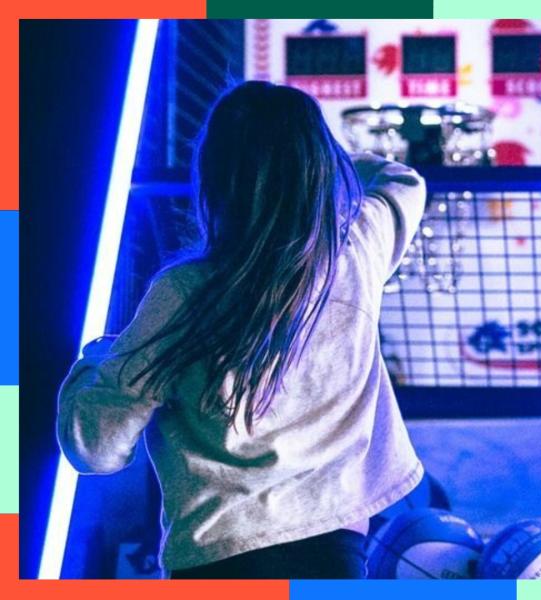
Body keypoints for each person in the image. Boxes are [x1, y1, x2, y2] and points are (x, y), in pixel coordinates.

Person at [56, 81, 427, 579]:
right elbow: (401, 180)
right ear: (321, 166)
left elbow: (96, 448)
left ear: (215, 178)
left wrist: (98, 361)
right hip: (338, 559)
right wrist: (316, 154)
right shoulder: (358, 249)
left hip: (218, 565)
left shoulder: (186, 291)